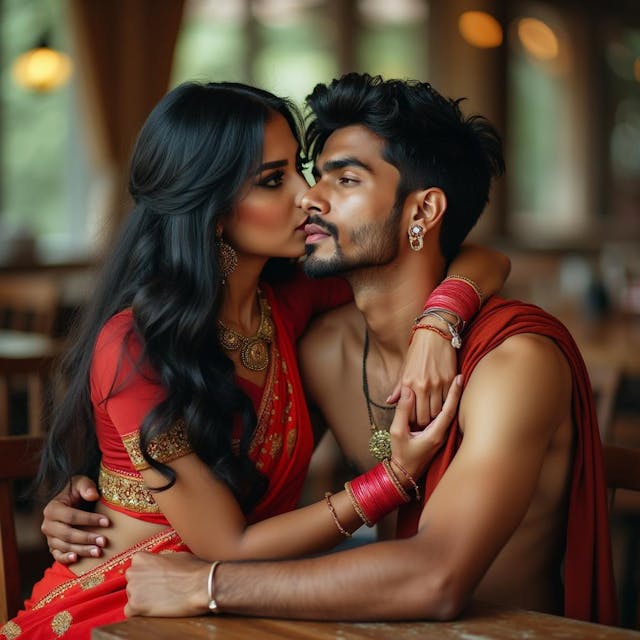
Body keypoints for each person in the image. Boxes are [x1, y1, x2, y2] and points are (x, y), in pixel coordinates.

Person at [0, 80, 507, 640]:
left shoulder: (288, 301)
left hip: (232, 608)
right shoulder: (135, 345)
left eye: (301, 170)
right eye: (273, 180)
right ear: (214, 209)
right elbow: (228, 546)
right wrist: (392, 478)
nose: (308, 196)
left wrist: (440, 320)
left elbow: (467, 252)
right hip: (121, 612)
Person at [114, 74, 616, 625]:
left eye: (345, 179)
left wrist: (210, 586)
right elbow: (236, 474)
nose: (309, 197)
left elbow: (436, 579)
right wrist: (105, 486)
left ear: (422, 213)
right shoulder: (323, 350)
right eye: (312, 175)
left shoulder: (513, 363)